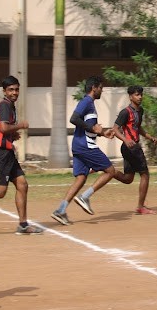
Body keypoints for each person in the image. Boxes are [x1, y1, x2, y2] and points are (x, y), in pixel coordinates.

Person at [0, 76, 43, 235]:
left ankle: (23, 225)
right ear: (4, 91)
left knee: (22, 185)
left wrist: (11, 134)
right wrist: (20, 126)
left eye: (17, 89)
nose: (14, 92)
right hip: (3, 153)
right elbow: (3, 127)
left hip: (7, 152)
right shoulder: (5, 106)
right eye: (11, 90)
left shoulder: (7, 106)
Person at [51, 76, 119, 225]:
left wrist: (102, 132)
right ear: (94, 87)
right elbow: (74, 119)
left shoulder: (90, 104)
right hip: (85, 146)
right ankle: (85, 197)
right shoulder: (86, 102)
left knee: (81, 177)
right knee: (111, 171)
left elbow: (90, 127)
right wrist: (92, 128)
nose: (102, 90)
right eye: (101, 87)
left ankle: (60, 210)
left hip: (79, 145)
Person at [112, 85, 157, 215]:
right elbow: (115, 129)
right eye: (137, 95)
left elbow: (138, 127)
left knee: (128, 179)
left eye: (141, 94)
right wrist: (126, 140)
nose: (140, 97)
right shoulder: (125, 112)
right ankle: (141, 206)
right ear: (130, 96)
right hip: (131, 148)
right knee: (145, 174)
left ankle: (109, 171)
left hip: (130, 148)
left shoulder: (140, 111)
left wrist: (149, 137)